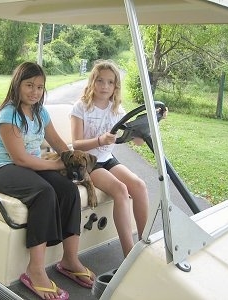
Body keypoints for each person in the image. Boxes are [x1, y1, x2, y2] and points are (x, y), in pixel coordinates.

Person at [0, 62, 94, 300]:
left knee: (68, 190)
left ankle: (69, 259)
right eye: (29, 85)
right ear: (18, 85)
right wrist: (57, 164)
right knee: (44, 193)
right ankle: (35, 270)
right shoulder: (8, 114)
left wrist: (73, 161)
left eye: (40, 87)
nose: (35, 91)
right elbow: (21, 159)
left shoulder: (41, 113)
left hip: (30, 166)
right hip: (2, 169)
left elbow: (59, 146)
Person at [70, 60, 155, 257]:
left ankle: (145, 244)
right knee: (121, 190)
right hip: (89, 163)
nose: (104, 86)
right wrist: (100, 140)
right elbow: (76, 144)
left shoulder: (117, 110)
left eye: (110, 82)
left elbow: (138, 141)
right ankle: (129, 254)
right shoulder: (81, 107)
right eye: (100, 81)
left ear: (115, 86)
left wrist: (148, 128)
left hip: (107, 159)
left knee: (139, 185)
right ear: (92, 82)